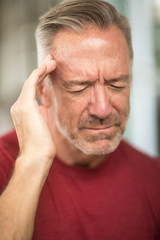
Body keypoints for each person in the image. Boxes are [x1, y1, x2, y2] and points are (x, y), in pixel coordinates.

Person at [0, 0, 160, 239]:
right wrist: (33, 160)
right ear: (42, 89)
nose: (103, 109)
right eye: (79, 88)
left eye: (117, 84)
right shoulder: (4, 166)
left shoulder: (153, 177)